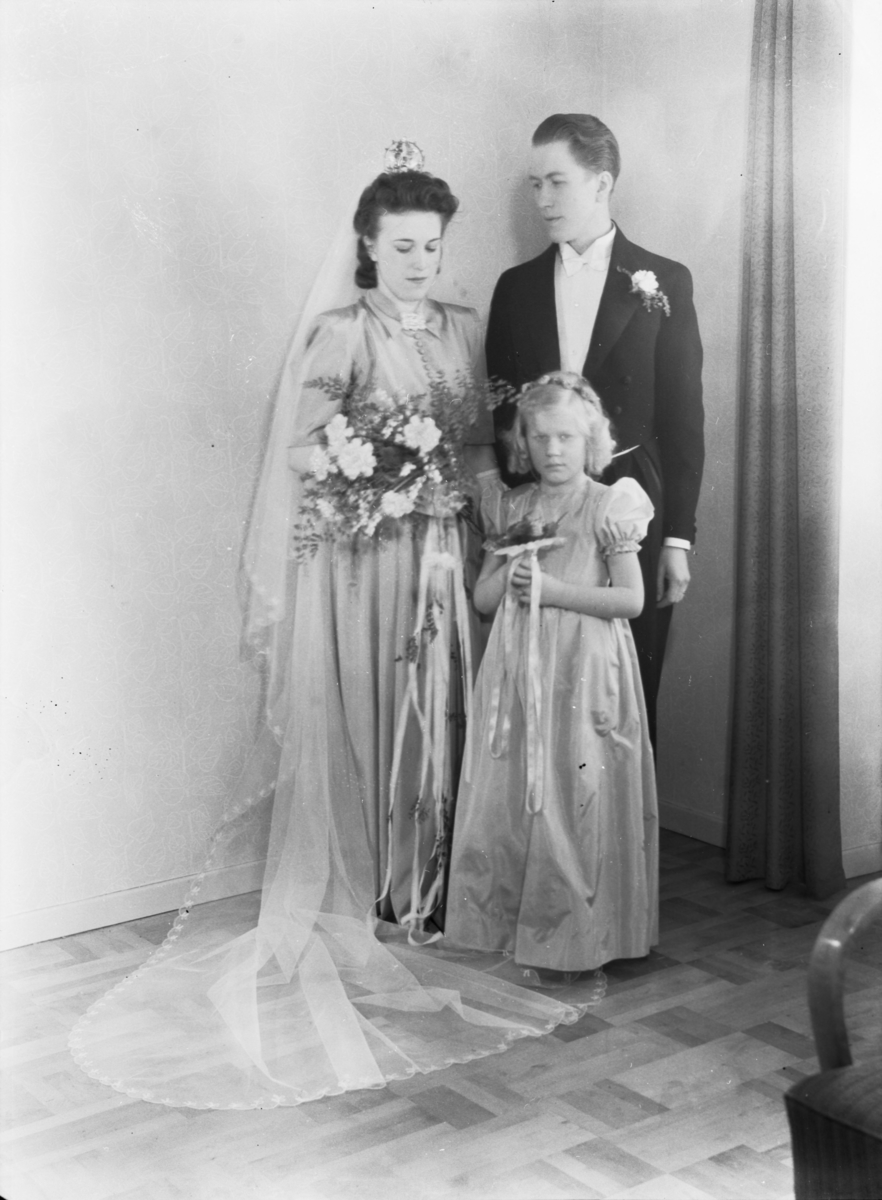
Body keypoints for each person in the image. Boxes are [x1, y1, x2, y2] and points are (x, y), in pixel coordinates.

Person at [68, 145, 584, 1112]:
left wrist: (495, 511)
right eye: (402, 246)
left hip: (444, 546)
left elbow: (479, 442)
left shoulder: (463, 329)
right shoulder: (341, 333)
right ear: (368, 245)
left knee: (441, 705)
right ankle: (377, 889)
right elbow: (304, 451)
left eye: (431, 245)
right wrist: (384, 470)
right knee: (375, 700)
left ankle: (433, 888)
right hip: (370, 552)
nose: (420, 261)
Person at [486, 114, 704, 749]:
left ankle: (623, 817)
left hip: (630, 504)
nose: (542, 200)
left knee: (627, 689)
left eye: (556, 182)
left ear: (602, 183)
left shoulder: (663, 280)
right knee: (544, 684)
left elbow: (683, 422)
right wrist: (518, 526)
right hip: (545, 509)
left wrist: (678, 540)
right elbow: (504, 416)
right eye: (535, 185)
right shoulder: (516, 287)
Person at [445, 373, 659, 977]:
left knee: (576, 791)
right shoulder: (514, 506)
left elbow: (631, 600)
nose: (553, 450)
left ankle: (582, 936)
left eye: (566, 437)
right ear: (523, 443)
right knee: (516, 790)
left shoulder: (610, 503)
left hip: (583, 667)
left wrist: (554, 589)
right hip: (519, 667)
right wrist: (508, 574)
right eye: (540, 438)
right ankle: (514, 925)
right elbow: (484, 601)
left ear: (590, 439)